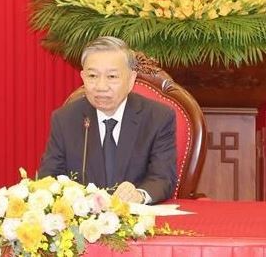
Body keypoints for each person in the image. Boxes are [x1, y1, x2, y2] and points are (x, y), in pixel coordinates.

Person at [38, 36, 177, 204]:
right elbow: (48, 180)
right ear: (83, 77)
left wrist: (139, 195)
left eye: (112, 76)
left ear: (131, 79)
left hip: (137, 219)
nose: (101, 86)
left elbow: (163, 178)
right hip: (84, 222)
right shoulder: (65, 119)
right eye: (93, 76)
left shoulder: (157, 117)